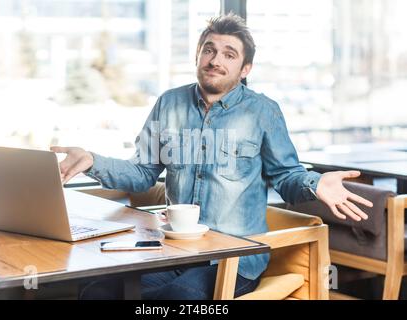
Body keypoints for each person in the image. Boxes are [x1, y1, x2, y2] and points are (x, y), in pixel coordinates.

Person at [51, 13, 373, 300]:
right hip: (175, 250)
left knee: (177, 298)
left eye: (229, 54)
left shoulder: (263, 112)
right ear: (197, 56)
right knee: (97, 289)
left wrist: (315, 184)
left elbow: (287, 178)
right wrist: (93, 160)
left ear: (245, 68)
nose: (215, 59)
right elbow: (141, 172)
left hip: (234, 260)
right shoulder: (169, 104)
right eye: (209, 50)